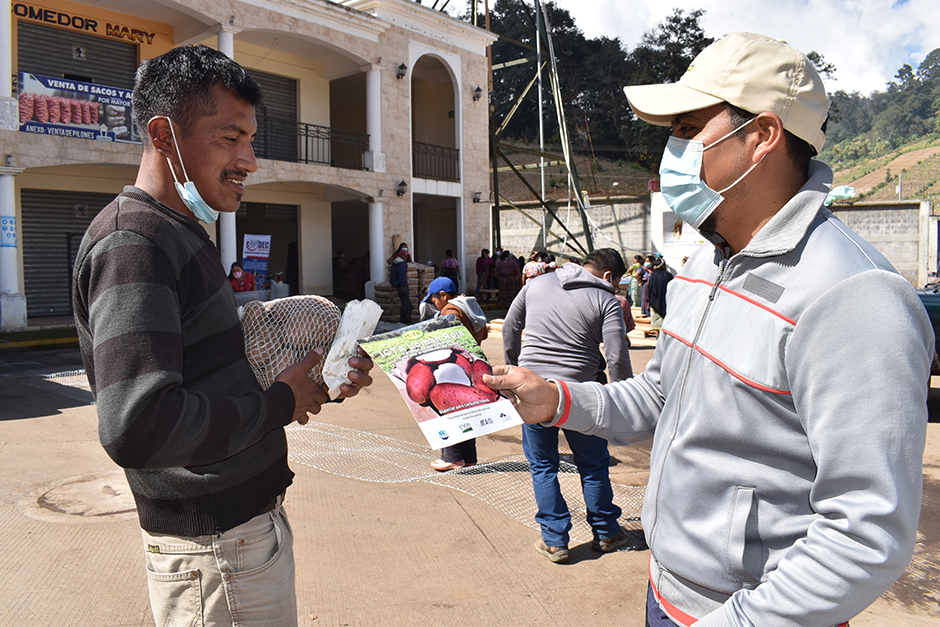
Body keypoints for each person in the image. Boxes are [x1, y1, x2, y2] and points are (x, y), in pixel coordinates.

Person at [483, 32, 933, 627]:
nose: (671, 151)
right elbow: (658, 397)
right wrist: (555, 399)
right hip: (667, 593)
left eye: (687, 128)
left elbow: (865, 532)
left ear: (762, 137)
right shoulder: (704, 265)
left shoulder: (852, 295)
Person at [70, 45, 374, 627]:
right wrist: (279, 401)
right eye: (230, 138)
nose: (249, 160)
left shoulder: (180, 232)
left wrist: (308, 384)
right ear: (164, 136)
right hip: (215, 553)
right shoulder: (135, 243)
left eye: (251, 140)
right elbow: (138, 425)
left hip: (236, 541)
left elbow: (203, 376)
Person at [502, 248, 634, 564]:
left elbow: (509, 328)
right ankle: (605, 532)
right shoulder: (607, 300)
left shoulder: (535, 284)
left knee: (543, 465)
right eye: (616, 282)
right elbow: (616, 357)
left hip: (531, 390)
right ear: (608, 276)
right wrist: (623, 398)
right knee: (592, 465)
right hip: (581, 395)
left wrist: (513, 373)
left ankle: (554, 540)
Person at [422, 276, 490, 471]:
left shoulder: (451, 312)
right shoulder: (469, 307)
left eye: (434, 300)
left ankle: (452, 457)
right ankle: (469, 458)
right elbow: (483, 333)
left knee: (446, 408)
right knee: (466, 410)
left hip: (451, 366)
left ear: (443, 295)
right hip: (471, 365)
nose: (434, 305)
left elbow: (445, 342)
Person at [646, 257, 673, 335]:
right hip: (665, 301)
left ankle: (657, 334)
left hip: (654, 302)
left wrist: (648, 301)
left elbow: (649, 289)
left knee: (656, 319)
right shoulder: (668, 275)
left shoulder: (652, 276)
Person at [387, 243, 413, 323]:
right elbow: (401, 275)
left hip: (398, 285)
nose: (406, 257)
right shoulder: (402, 264)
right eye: (405, 255)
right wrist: (402, 285)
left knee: (406, 303)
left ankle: (405, 318)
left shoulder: (395, 263)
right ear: (401, 255)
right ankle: (404, 319)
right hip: (403, 286)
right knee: (406, 304)